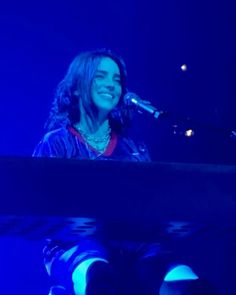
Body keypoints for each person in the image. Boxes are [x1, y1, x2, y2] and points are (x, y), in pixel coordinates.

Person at [33, 49, 217, 295]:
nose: (111, 84)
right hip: (75, 245)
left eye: (117, 79)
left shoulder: (133, 146)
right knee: (100, 280)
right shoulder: (57, 142)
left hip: (136, 246)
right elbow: (39, 205)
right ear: (77, 88)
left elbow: (152, 202)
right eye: (101, 77)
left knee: (194, 289)